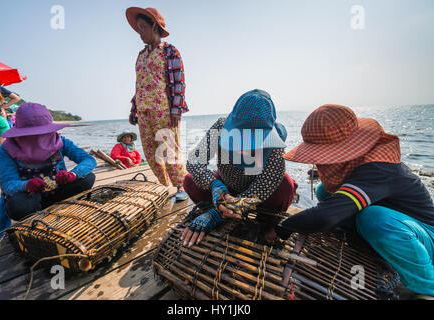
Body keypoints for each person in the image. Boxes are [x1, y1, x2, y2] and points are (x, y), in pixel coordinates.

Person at [268, 104, 434, 298]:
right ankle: (370, 242)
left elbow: (326, 216)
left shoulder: (378, 168)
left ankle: (427, 286)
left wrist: (282, 228)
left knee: (373, 218)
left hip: (425, 237)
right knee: (325, 191)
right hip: (401, 227)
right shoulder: (360, 162)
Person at [180, 89, 298, 247]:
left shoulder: (275, 145)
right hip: (225, 184)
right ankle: (215, 209)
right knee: (189, 181)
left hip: (256, 192)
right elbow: (195, 161)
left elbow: (265, 186)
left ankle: (263, 223)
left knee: (286, 186)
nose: (244, 149)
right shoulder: (221, 127)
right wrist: (214, 185)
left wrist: (227, 208)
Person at [0, 103, 97, 236]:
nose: (38, 137)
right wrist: (26, 185)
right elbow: (7, 183)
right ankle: (39, 218)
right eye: (31, 134)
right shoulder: (6, 149)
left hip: (56, 191)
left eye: (42, 133)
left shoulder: (60, 141)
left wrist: (73, 174)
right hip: (29, 197)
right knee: (17, 206)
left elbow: (89, 160)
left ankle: (56, 208)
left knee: (87, 178)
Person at [125, 7, 188, 201]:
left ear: (154, 26)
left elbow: (179, 80)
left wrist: (177, 108)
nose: (140, 32)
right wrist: (134, 109)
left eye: (143, 27)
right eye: (138, 29)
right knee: (151, 153)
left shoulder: (169, 51)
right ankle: (164, 187)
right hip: (144, 111)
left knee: (169, 150)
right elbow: (139, 85)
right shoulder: (141, 55)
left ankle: (181, 187)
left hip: (164, 111)